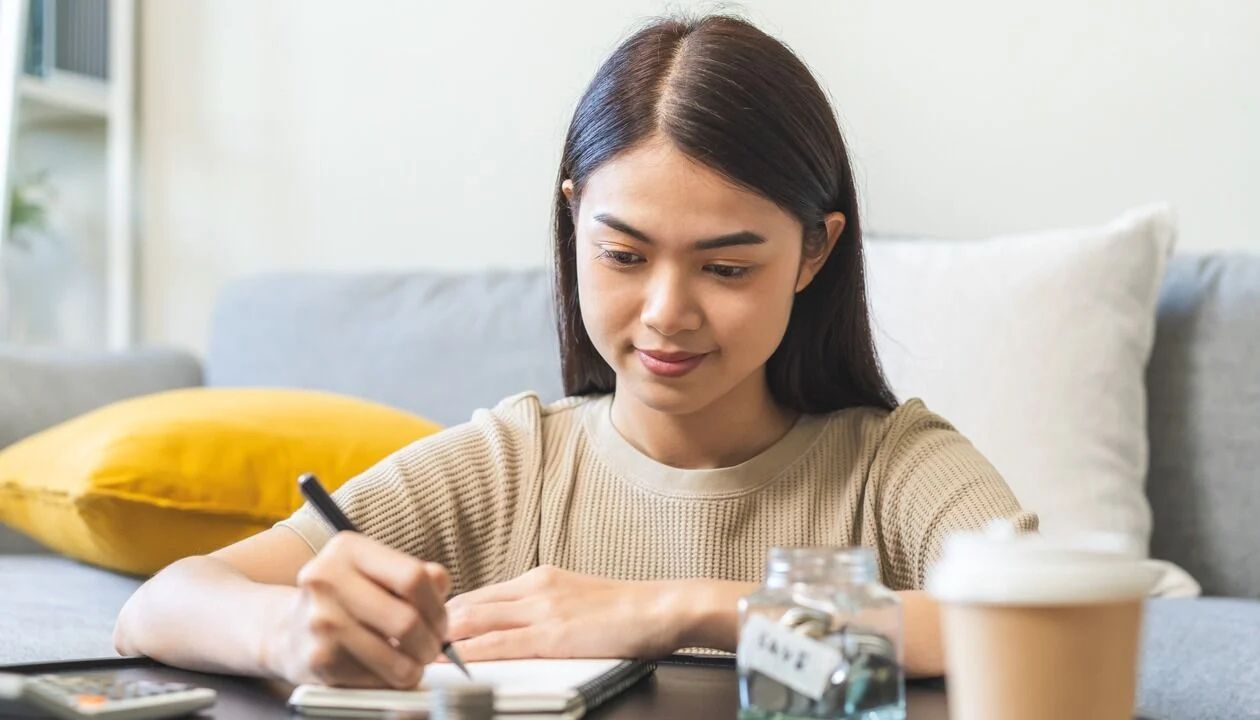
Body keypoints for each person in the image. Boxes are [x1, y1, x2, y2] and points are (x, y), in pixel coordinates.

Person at [113, 13, 1037, 690]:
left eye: (725, 267)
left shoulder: (890, 468)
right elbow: (159, 605)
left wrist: (683, 610)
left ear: (815, 252)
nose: (666, 314)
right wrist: (285, 632)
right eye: (625, 256)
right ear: (573, 222)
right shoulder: (512, 466)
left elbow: (1041, 620)